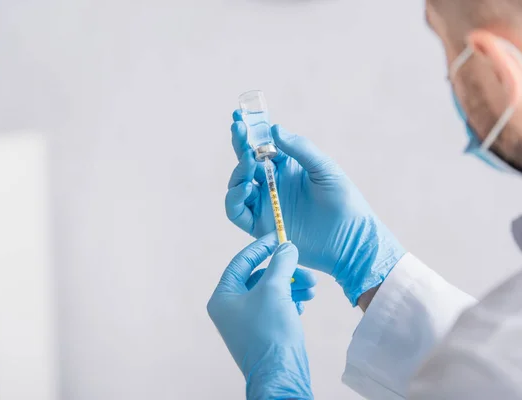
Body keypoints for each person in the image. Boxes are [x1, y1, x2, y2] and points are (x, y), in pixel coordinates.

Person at [207, 0, 522, 398]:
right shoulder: (492, 358)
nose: (448, 76)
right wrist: (366, 263)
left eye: (448, 48)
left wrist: (276, 380)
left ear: (498, 67)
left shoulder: (489, 364)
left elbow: (480, 374)